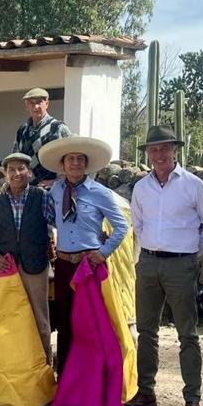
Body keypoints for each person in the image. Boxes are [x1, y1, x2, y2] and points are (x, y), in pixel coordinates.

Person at [128, 125, 203, 406]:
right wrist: (151, 250)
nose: (159, 154)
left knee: (187, 333)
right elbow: (138, 225)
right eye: (154, 149)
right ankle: (146, 391)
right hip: (149, 262)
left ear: (175, 150)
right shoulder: (141, 188)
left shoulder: (193, 185)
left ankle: (192, 398)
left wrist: (191, 254)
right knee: (146, 330)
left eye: (164, 148)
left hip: (181, 264)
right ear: (147, 153)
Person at [37, 135, 128, 377]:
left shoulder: (100, 193)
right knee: (65, 321)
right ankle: (65, 378)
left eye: (80, 159)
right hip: (64, 265)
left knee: (90, 322)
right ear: (63, 164)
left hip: (89, 266)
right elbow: (48, 220)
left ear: (86, 164)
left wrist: (103, 252)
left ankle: (92, 377)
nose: (75, 163)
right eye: (71, 159)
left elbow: (122, 227)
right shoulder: (55, 191)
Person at [0, 152, 53, 363]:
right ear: (5, 174)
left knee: (39, 318)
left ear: (29, 172)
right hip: (5, 267)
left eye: (21, 168)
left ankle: (43, 367)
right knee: (4, 317)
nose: (16, 173)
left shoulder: (42, 196)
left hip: (35, 265)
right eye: (11, 169)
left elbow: (58, 223)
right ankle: (8, 367)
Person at [12, 88, 71, 188]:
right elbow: (15, 159)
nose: (36, 106)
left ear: (47, 104)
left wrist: (55, 181)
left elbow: (71, 157)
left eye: (39, 102)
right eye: (31, 103)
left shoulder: (57, 128)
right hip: (27, 189)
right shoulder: (22, 131)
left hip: (53, 189)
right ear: (27, 106)